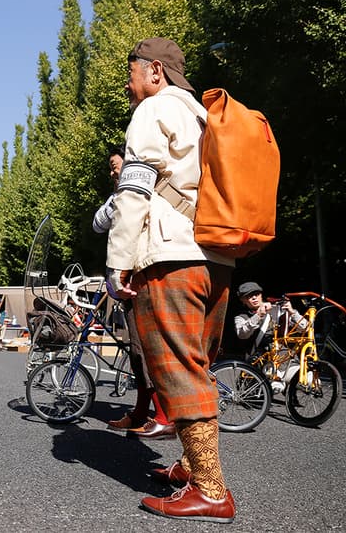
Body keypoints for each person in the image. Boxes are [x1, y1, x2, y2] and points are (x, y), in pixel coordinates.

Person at [105, 38, 236, 521]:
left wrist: (118, 261)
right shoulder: (205, 117)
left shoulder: (153, 110)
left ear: (155, 71)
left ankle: (211, 490)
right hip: (218, 256)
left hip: (171, 256)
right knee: (199, 363)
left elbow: (134, 191)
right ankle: (191, 464)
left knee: (177, 369)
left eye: (131, 73)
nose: (128, 84)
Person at [93, 145, 174, 438]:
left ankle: (164, 415)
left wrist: (119, 273)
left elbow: (125, 226)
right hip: (139, 274)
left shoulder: (142, 187)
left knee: (146, 347)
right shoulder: (120, 195)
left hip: (142, 273)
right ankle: (143, 411)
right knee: (137, 350)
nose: (112, 171)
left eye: (115, 165)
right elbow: (98, 223)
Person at [234, 281, 308, 355]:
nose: (254, 298)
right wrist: (258, 315)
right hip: (259, 357)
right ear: (243, 300)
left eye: (256, 294)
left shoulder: (279, 310)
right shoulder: (241, 317)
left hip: (284, 356)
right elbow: (242, 335)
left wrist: (292, 312)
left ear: (261, 295)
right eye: (249, 296)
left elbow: (305, 328)